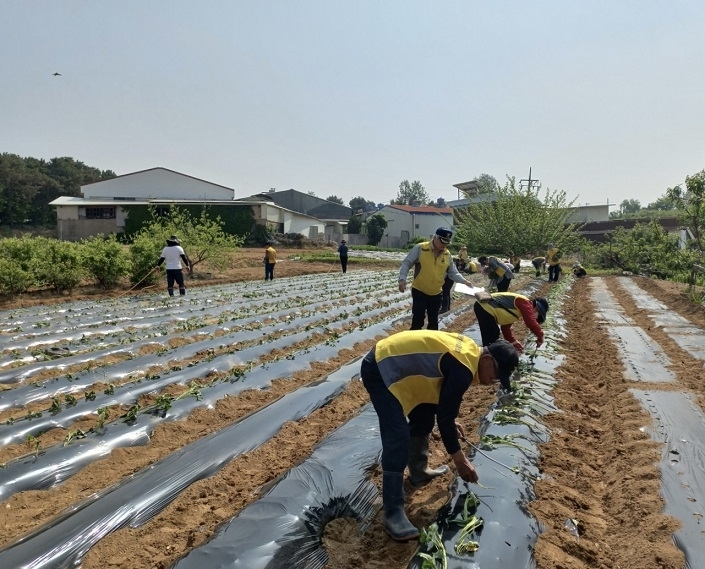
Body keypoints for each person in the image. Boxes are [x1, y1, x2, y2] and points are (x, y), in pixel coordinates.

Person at [361, 330, 519, 541]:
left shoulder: (470, 356)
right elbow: (443, 418)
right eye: (497, 374)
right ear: (488, 359)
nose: (494, 380)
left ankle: (418, 472)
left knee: (424, 417)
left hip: (399, 365)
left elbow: (441, 395)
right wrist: (460, 461)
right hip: (381, 367)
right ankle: (393, 513)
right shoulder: (464, 367)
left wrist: (450, 419)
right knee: (397, 437)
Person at [398, 227, 474, 330]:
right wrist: (402, 279)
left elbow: (453, 272)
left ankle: (431, 343)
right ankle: (414, 342)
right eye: (443, 242)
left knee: (433, 321)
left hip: (436, 293)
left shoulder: (447, 254)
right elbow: (407, 263)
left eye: (447, 243)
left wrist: (465, 281)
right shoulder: (421, 248)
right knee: (418, 318)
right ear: (435, 237)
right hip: (420, 290)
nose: (444, 245)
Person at [473, 292, 549, 353]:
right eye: (538, 316)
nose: (536, 318)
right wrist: (541, 336)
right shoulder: (525, 303)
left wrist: (513, 342)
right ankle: (487, 359)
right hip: (484, 307)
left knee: (491, 338)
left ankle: (487, 356)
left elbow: (505, 328)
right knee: (492, 337)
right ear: (537, 309)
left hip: (483, 308)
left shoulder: (516, 313)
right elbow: (530, 322)